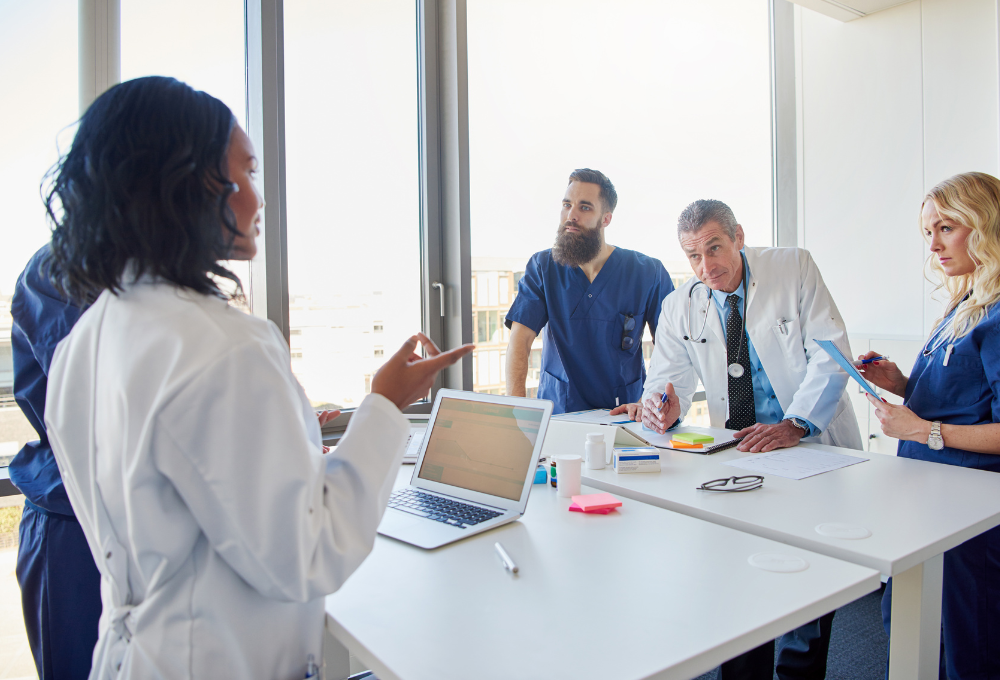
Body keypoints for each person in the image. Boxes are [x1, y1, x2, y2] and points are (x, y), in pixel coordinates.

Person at [40, 76, 472, 679]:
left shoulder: (85, 342)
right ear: (182, 185)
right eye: (242, 174)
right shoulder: (223, 347)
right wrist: (387, 404)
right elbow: (309, 552)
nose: (255, 197)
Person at [611, 199, 862, 680]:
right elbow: (668, 379)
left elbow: (831, 355)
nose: (706, 267)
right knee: (743, 573)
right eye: (692, 256)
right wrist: (661, 407)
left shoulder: (793, 268)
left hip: (811, 444)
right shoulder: (680, 303)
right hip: (744, 453)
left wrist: (795, 424)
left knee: (811, 575)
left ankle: (797, 674)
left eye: (714, 248)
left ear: (738, 237)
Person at [863, 171, 1000, 680]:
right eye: (928, 233)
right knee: (914, 632)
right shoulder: (967, 302)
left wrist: (923, 430)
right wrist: (898, 381)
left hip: (973, 514)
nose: (934, 246)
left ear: (985, 224)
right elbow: (962, 396)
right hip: (931, 501)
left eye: (947, 228)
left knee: (969, 647)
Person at [504, 168, 674, 413]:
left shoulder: (648, 272)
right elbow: (520, 342)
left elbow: (670, 349)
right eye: (566, 205)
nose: (570, 215)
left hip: (627, 414)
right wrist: (517, 412)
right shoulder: (543, 267)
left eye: (584, 207)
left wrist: (652, 401)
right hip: (559, 412)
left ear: (606, 219)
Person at [10, 245, 100, 680]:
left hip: (147, 520)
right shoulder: (62, 269)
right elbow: (100, 399)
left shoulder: (168, 279)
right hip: (74, 528)